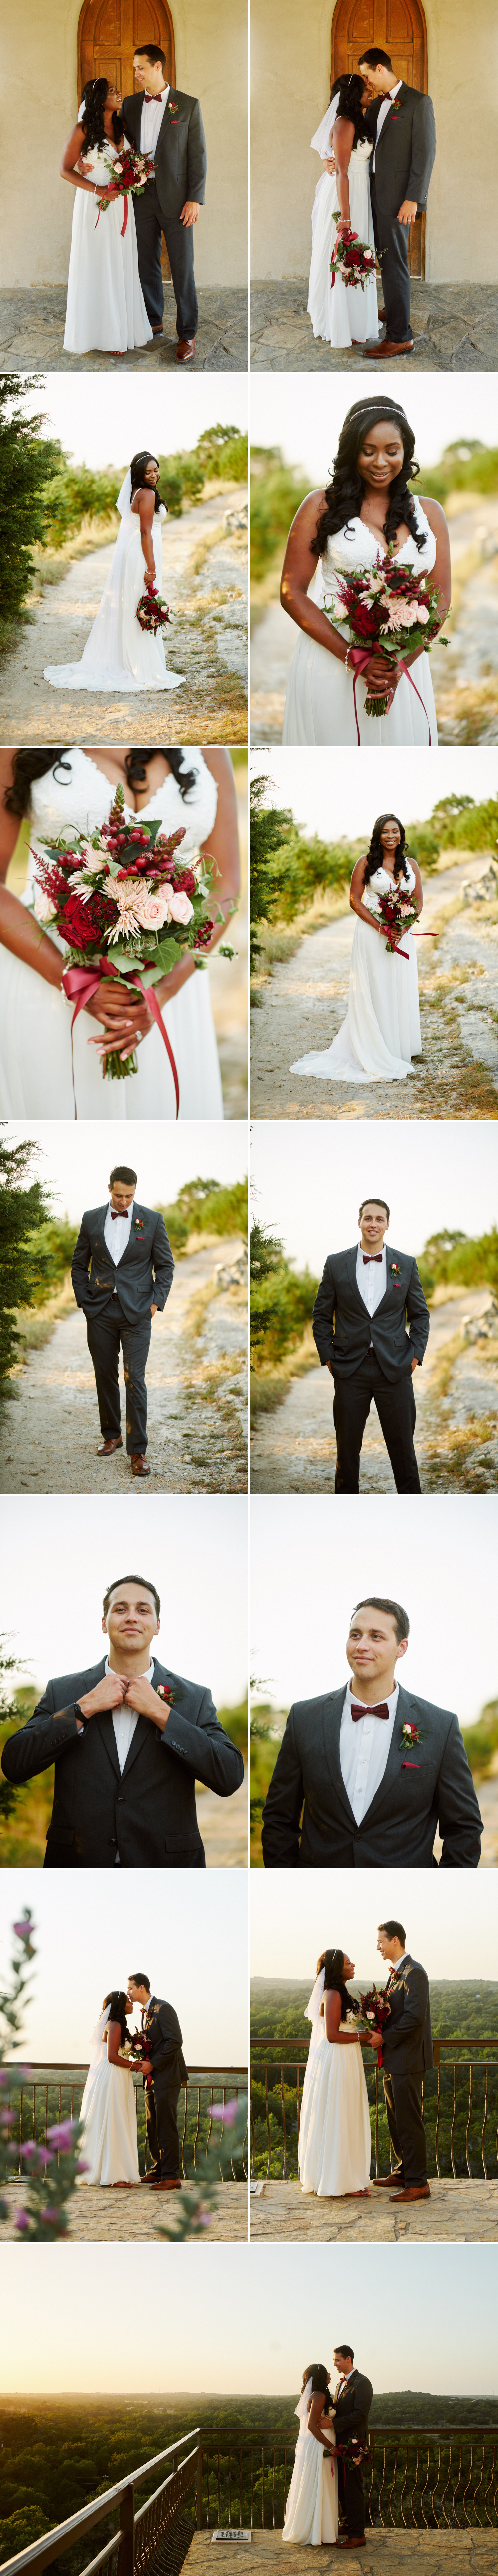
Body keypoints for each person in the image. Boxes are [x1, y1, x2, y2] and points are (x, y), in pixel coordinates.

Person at [0, 746, 239, 1119]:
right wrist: (74, 981)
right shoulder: (18, 742)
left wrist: (162, 991)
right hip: (47, 970)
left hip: (169, 977)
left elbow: (227, 883)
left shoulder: (211, 748)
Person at [1, 1573, 244, 1868]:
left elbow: (230, 1776)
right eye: (120, 1609)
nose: (132, 1617)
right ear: (104, 1623)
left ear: (157, 1625)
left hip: (168, 1869)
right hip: (78, 1866)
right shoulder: (62, 1691)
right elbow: (15, 1763)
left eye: (143, 1610)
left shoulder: (194, 1697)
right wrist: (85, 1707)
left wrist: (162, 1713)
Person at [260, 1595, 483, 1870]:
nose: (361, 1645)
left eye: (376, 1636)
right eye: (356, 1634)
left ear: (402, 1648)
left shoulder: (441, 1726)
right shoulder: (304, 1718)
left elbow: (464, 1828)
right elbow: (279, 1820)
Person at [281, 397, 451, 746]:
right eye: (368, 450)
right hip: (332, 657)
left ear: (406, 452)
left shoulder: (431, 512)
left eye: (392, 450)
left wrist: (397, 667)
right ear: (351, 451)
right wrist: (353, 656)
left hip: (403, 663)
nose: (380, 462)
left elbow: (442, 598)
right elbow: (292, 592)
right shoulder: (320, 505)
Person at [290, 814, 424, 1085]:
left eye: (395, 832)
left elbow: (419, 901)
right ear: (378, 835)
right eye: (385, 832)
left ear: (402, 835)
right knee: (376, 989)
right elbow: (355, 900)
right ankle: (374, 1048)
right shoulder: (365, 863)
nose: (391, 836)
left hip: (401, 936)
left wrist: (403, 927)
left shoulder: (411, 865)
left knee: (398, 986)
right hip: (372, 935)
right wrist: (382, 928)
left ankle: (398, 1047)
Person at [311, 1195, 430, 1494]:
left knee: (404, 1453)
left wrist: (414, 1358)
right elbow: (321, 1316)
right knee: (347, 1455)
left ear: (388, 1224)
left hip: (396, 1369)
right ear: (359, 1222)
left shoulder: (406, 1264)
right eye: (368, 1218)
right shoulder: (336, 1264)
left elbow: (420, 1316)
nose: (373, 1224)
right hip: (351, 1369)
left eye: (379, 1219)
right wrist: (329, 1359)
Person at [44, 454, 185, 694]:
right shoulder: (148, 495)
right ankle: (140, 666)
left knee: (134, 605)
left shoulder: (138, 492)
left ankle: (130, 661)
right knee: (141, 604)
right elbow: (145, 533)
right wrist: (151, 567)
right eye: (149, 472)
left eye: (157, 470)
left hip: (136, 552)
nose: (154, 475)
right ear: (140, 474)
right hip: (143, 553)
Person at [71, 1165, 174, 1479]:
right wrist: (84, 1301)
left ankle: (139, 1451)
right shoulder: (91, 1219)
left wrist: (155, 1304)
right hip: (100, 1311)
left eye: (129, 1196)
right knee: (104, 1375)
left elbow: (166, 1266)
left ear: (135, 1192)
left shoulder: (152, 1220)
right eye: (119, 1195)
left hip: (138, 1313)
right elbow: (79, 1264)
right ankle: (112, 1435)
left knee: (135, 1379)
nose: (124, 1202)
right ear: (109, 1189)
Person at [122, 43, 207, 361]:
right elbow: (119, 145)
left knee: (183, 269)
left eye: (141, 67)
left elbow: (198, 156)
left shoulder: (187, 105)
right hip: (140, 197)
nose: (136, 74)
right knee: (147, 263)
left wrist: (194, 199)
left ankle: (188, 335)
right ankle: (153, 321)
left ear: (158, 67)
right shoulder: (130, 105)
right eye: (135, 68)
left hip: (177, 200)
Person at [60, 77, 152, 354]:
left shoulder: (123, 126)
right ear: (99, 98)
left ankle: (123, 327)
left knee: (121, 262)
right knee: (100, 263)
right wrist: (99, 189)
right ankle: (105, 333)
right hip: (96, 205)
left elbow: (131, 160)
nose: (119, 93)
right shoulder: (83, 129)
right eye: (112, 91)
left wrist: (135, 176)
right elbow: (66, 169)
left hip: (122, 205)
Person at [358, 48, 436, 359]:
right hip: (373, 195)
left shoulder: (419, 102)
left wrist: (413, 199)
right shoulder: (376, 105)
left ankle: (401, 336)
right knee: (383, 260)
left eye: (367, 74)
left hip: (400, 200)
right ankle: (393, 308)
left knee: (394, 264)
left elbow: (425, 155)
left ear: (380, 69)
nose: (366, 81)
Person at [308, 76, 378, 351]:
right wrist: (346, 216)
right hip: (345, 195)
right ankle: (340, 322)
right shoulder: (344, 123)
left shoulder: (358, 120)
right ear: (353, 95)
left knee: (358, 255)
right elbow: (343, 172)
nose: (370, 92)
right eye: (365, 90)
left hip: (358, 191)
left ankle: (357, 318)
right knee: (343, 256)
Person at [366, 1920, 433, 2206]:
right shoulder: (397, 1974)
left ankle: (418, 2183)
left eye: (380, 1941)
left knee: (410, 2122)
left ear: (395, 1940)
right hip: (394, 2061)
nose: (377, 1946)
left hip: (407, 2059)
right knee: (396, 2121)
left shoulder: (415, 1972)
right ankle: (403, 2172)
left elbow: (415, 2018)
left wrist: (384, 2037)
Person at [298, 1949, 371, 2199]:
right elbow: (332, 2034)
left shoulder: (341, 1993)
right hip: (339, 2058)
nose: (353, 1965)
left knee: (347, 2114)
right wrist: (364, 2036)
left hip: (348, 2058)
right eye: (349, 1962)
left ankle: (346, 2177)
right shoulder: (332, 1994)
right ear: (338, 1967)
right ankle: (338, 2181)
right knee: (341, 2114)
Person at [128, 1972, 188, 2191]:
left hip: (168, 2076)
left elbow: (175, 2041)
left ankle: (172, 2177)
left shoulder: (164, 2008)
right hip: (152, 2079)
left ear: (142, 1988)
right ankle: (158, 2170)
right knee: (153, 2125)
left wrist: (153, 2064)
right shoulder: (146, 2013)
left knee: (166, 2125)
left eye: (131, 1988)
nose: (129, 1992)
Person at [78, 1990, 140, 2187]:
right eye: (129, 2002)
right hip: (113, 2075)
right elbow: (112, 2057)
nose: (132, 2004)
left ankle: (114, 2172)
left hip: (120, 2075)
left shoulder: (119, 2025)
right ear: (121, 2006)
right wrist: (136, 2066)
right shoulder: (114, 2025)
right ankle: (111, 2176)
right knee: (113, 2121)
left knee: (117, 2119)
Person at [282, 2365, 338, 2544]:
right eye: (327, 2372)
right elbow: (312, 2426)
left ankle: (321, 2531)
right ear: (321, 2377)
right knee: (319, 2483)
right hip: (320, 2445)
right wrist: (332, 2447)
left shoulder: (318, 2395)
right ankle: (318, 2532)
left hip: (319, 2443)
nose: (331, 2374)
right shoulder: (320, 2396)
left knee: (318, 2484)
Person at [333, 2346, 373, 2549]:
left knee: (353, 2490)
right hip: (340, 2445)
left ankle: (358, 2535)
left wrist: (333, 2424)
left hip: (353, 2446)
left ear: (348, 2359)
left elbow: (360, 2415)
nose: (335, 2364)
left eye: (338, 2360)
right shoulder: (341, 2386)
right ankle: (348, 2525)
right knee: (343, 2489)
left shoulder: (363, 2383)